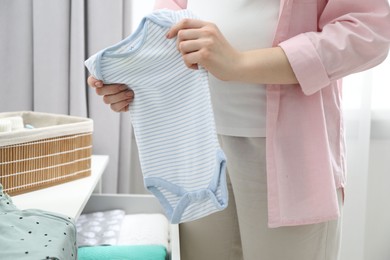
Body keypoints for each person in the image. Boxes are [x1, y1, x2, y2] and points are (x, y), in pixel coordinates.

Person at [87, 0, 390, 259]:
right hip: (196, 144)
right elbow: (173, 10)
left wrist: (240, 63)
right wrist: (138, 71)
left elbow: (368, 30)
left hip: (291, 152)